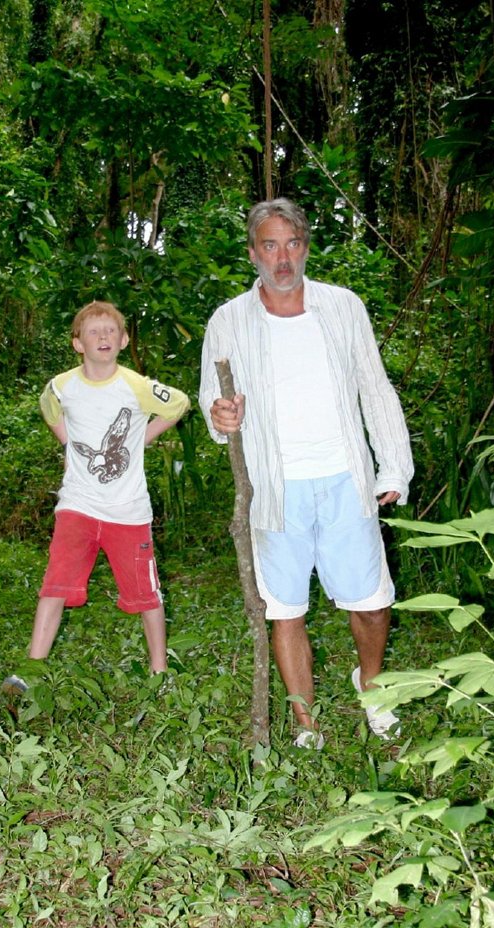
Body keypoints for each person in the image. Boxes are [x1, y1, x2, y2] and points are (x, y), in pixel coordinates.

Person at [199, 198, 413, 749]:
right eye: (270, 245)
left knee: (370, 600)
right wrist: (222, 418)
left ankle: (371, 685)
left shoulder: (343, 307)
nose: (283, 257)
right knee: (286, 607)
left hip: (345, 476)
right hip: (276, 487)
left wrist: (394, 463)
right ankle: (306, 722)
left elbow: (375, 387)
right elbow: (213, 403)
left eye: (292, 243)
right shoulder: (229, 321)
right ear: (253, 254)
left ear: (306, 246)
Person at [2, 300, 190, 694]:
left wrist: (141, 440)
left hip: (129, 511)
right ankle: (31, 672)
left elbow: (178, 403)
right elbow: (48, 408)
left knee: (146, 594)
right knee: (54, 585)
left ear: (122, 340)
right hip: (78, 506)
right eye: (93, 331)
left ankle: (159, 672)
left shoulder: (135, 385)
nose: (102, 337)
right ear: (78, 343)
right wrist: (69, 445)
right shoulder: (62, 386)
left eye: (110, 331)